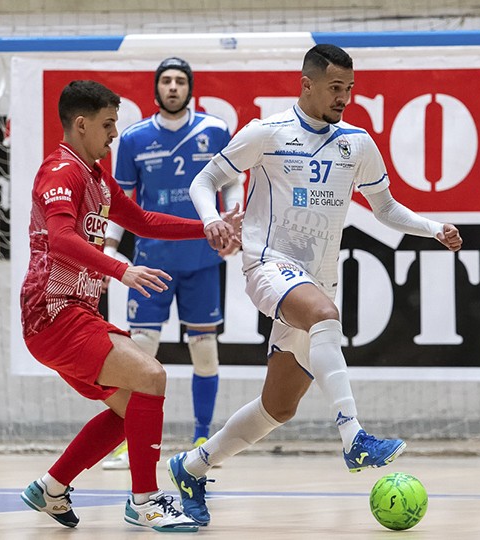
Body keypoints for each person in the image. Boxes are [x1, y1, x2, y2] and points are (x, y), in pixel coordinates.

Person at [166, 44, 464, 526]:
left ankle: (192, 466)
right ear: (306, 84)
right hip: (268, 264)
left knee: (277, 408)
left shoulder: (357, 144)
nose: (343, 97)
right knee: (326, 316)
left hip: (318, 278)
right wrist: (211, 220)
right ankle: (354, 438)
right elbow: (205, 180)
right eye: (334, 88)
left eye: (348, 89)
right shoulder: (268, 132)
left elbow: (385, 209)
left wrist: (434, 228)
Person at [17, 79, 241, 533]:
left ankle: (51, 486)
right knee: (151, 376)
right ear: (81, 124)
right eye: (107, 124)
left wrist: (210, 225)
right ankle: (144, 501)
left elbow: (141, 220)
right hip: (53, 314)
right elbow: (61, 239)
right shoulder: (60, 172)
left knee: (131, 411)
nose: (114, 133)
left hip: (77, 313)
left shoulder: (96, 176)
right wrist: (123, 271)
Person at [101, 57, 242, 471]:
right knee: (141, 353)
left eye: (181, 80)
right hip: (151, 262)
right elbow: (120, 201)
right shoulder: (133, 139)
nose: (174, 87)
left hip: (201, 259)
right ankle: (129, 440)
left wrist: (232, 222)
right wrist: (110, 248)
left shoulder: (215, 130)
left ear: (190, 87)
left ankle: (203, 438)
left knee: (204, 349)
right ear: (157, 88)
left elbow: (231, 182)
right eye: (167, 80)